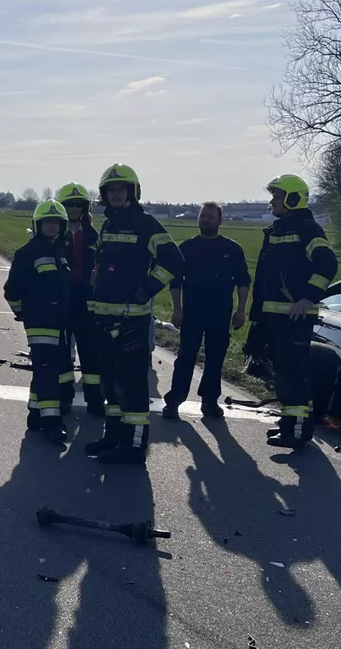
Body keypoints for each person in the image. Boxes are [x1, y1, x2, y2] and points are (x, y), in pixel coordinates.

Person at [84, 164, 185, 465]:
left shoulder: (146, 224)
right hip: (105, 318)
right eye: (111, 190)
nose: (116, 194)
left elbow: (175, 261)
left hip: (132, 321)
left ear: (132, 192)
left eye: (121, 189)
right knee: (110, 384)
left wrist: (148, 288)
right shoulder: (109, 225)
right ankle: (113, 437)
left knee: (133, 386)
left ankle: (135, 446)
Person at [246, 174, 338, 449]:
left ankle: (299, 431)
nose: (272, 201)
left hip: (295, 317)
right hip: (273, 315)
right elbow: (263, 277)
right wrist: (257, 318)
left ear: (292, 199)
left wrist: (307, 298)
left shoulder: (308, 229)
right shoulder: (274, 232)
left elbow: (327, 265)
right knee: (283, 373)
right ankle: (289, 425)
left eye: (277, 195)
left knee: (295, 374)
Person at [163, 201, 252, 419]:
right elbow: (175, 283)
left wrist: (241, 310)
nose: (205, 220)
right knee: (185, 357)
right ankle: (174, 401)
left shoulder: (231, 249)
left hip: (220, 313)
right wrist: (177, 309)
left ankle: (210, 402)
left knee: (216, 358)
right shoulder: (187, 248)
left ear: (220, 220)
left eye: (210, 217)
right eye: (203, 216)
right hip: (192, 312)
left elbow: (243, 282)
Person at [4, 200, 73, 443]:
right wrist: (23, 313)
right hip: (41, 323)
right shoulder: (27, 252)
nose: (52, 226)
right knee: (47, 373)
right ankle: (51, 423)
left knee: (45, 370)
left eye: (56, 222)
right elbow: (11, 291)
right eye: (47, 222)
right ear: (38, 224)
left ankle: (35, 414)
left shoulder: (59, 252)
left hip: (58, 324)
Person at [55, 182, 104, 417]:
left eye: (78, 205)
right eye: (69, 204)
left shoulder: (96, 236)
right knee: (63, 355)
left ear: (85, 208)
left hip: (87, 303)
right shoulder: (53, 235)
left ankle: (95, 400)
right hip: (62, 301)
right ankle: (65, 398)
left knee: (92, 354)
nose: (74, 208)